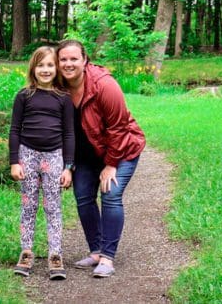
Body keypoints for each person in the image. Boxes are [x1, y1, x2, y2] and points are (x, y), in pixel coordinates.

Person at [57, 38, 145, 279]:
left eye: (74, 58)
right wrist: (68, 164)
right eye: (63, 59)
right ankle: (95, 251)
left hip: (122, 149)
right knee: (83, 197)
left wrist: (111, 164)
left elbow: (118, 128)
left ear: (85, 60)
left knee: (111, 194)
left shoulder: (104, 85)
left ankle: (107, 257)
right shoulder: (59, 86)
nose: (68, 64)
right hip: (87, 155)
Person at [9, 45, 75, 280]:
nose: (45, 70)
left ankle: (55, 254)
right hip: (28, 155)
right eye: (41, 65)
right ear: (33, 68)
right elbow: (15, 129)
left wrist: (68, 167)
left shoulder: (63, 98)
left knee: (53, 206)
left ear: (56, 68)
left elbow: (69, 134)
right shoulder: (24, 95)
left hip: (54, 156)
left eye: (50, 65)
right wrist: (14, 161)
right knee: (28, 205)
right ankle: (26, 251)